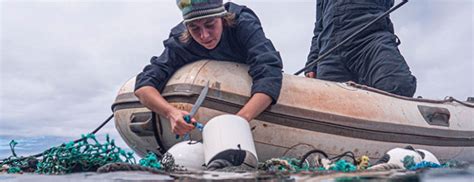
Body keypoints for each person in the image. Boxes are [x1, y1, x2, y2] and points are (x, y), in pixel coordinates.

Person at [134, 0, 283, 137]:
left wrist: (239, 122)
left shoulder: (243, 23)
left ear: (223, 18)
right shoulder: (181, 42)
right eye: (194, 28)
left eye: (210, 24)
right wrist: (171, 113)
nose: (204, 35)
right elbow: (144, 86)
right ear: (187, 27)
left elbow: (269, 71)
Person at [305, 0, 417, 97]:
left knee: (398, 85)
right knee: (323, 102)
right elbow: (319, 28)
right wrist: (312, 63)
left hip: (370, 38)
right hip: (329, 50)